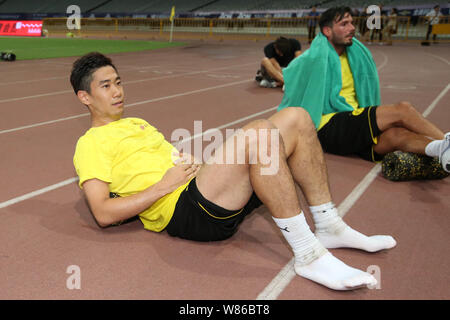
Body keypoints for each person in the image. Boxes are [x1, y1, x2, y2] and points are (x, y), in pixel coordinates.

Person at [70, 52, 397, 291]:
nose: (117, 92)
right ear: (84, 96)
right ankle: (308, 254)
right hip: (185, 211)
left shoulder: (137, 123)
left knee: (296, 117)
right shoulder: (90, 144)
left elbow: (162, 160)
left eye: (118, 83)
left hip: (198, 190)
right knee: (258, 132)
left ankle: (328, 224)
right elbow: (101, 212)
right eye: (105, 86)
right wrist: (164, 185)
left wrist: (185, 160)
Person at [278, 7, 450, 173]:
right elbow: (292, 86)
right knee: (403, 110)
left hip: (353, 123)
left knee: (397, 135)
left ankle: (442, 150)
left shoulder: (356, 56)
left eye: (352, 23)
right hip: (328, 125)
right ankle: (446, 141)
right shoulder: (311, 59)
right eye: (344, 24)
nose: (352, 28)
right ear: (327, 31)